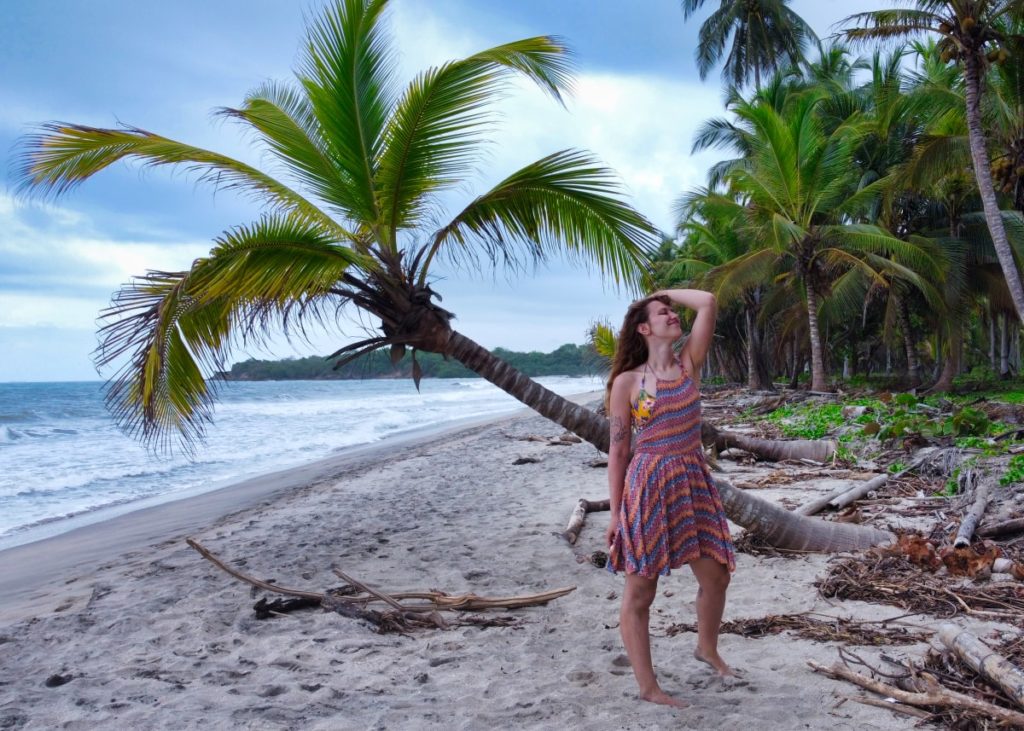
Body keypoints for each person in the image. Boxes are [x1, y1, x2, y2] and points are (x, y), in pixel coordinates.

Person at [605, 288, 736, 708]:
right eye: (663, 312)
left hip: (692, 480)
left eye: (672, 312)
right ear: (645, 328)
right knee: (641, 593)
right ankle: (648, 686)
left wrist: (661, 293)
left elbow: (708, 302)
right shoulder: (628, 383)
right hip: (647, 487)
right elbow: (619, 452)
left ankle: (707, 647)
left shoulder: (688, 365)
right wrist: (615, 513)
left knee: (716, 575)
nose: (672, 315)